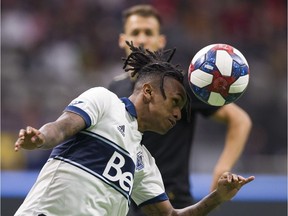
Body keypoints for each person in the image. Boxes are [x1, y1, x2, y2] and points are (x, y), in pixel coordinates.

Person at [14, 42, 254, 216]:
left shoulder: (144, 162)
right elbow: (61, 128)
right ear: (148, 92)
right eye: (175, 102)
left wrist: (218, 197)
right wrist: (40, 138)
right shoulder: (104, 101)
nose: (178, 114)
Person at [108, 4, 252, 214]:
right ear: (122, 39)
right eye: (135, 32)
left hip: (174, 203)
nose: (141, 38)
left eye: (148, 32)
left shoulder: (179, 86)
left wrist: (222, 167)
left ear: (161, 41)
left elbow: (240, 120)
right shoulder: (115, 88)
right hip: (126, 205)